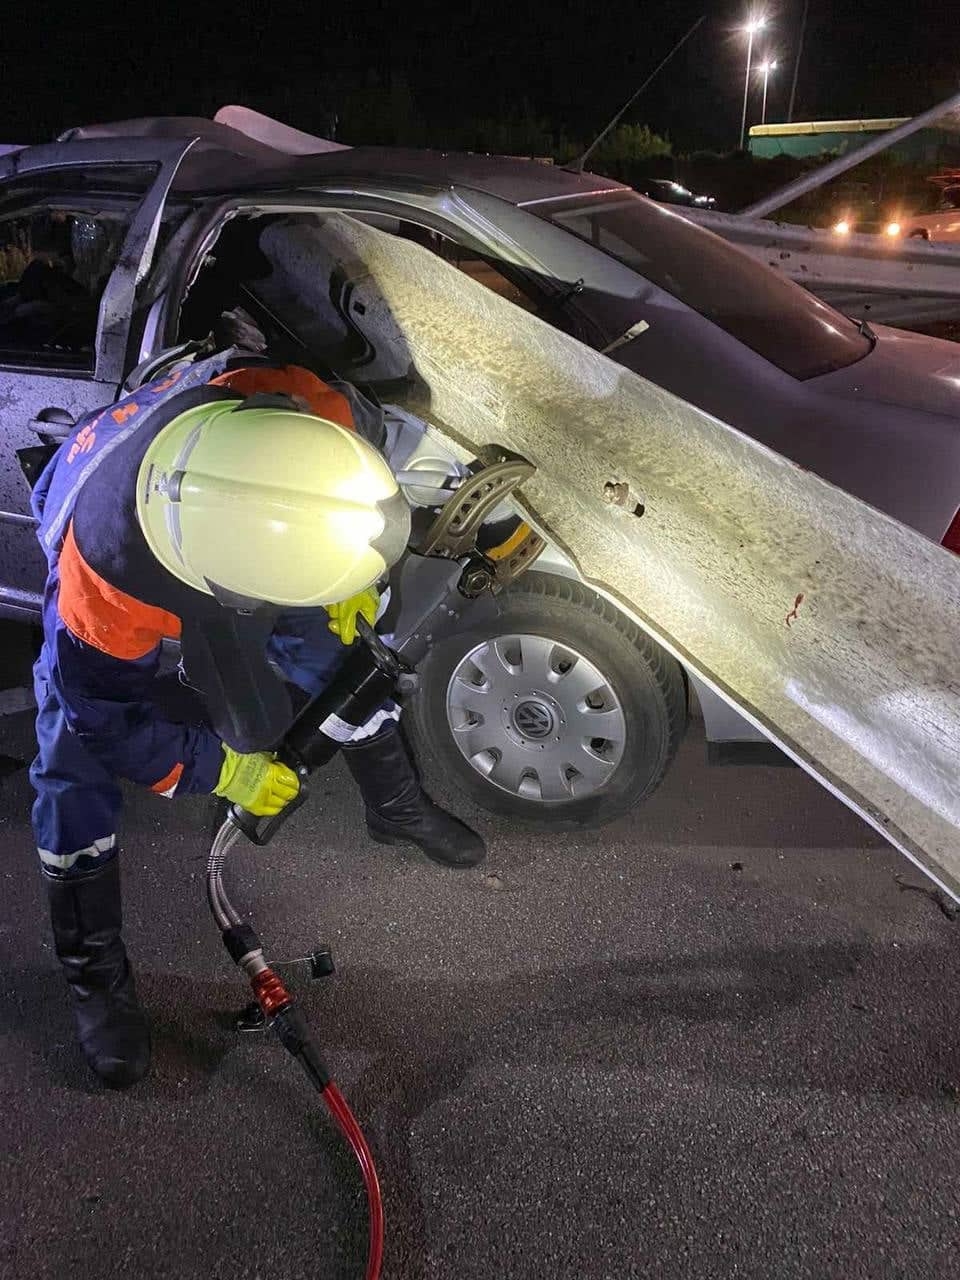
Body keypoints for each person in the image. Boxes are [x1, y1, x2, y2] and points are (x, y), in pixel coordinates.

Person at [30, 344, 485, 1089]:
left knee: (339, 654)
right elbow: (106, 721)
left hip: (235, 515)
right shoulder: (105, 579)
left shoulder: (305, 414)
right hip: (131, 538)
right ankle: (95, 979)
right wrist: (224, 769)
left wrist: (346, 576)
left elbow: (357, 483)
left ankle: (396, 807)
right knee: (71, 763)